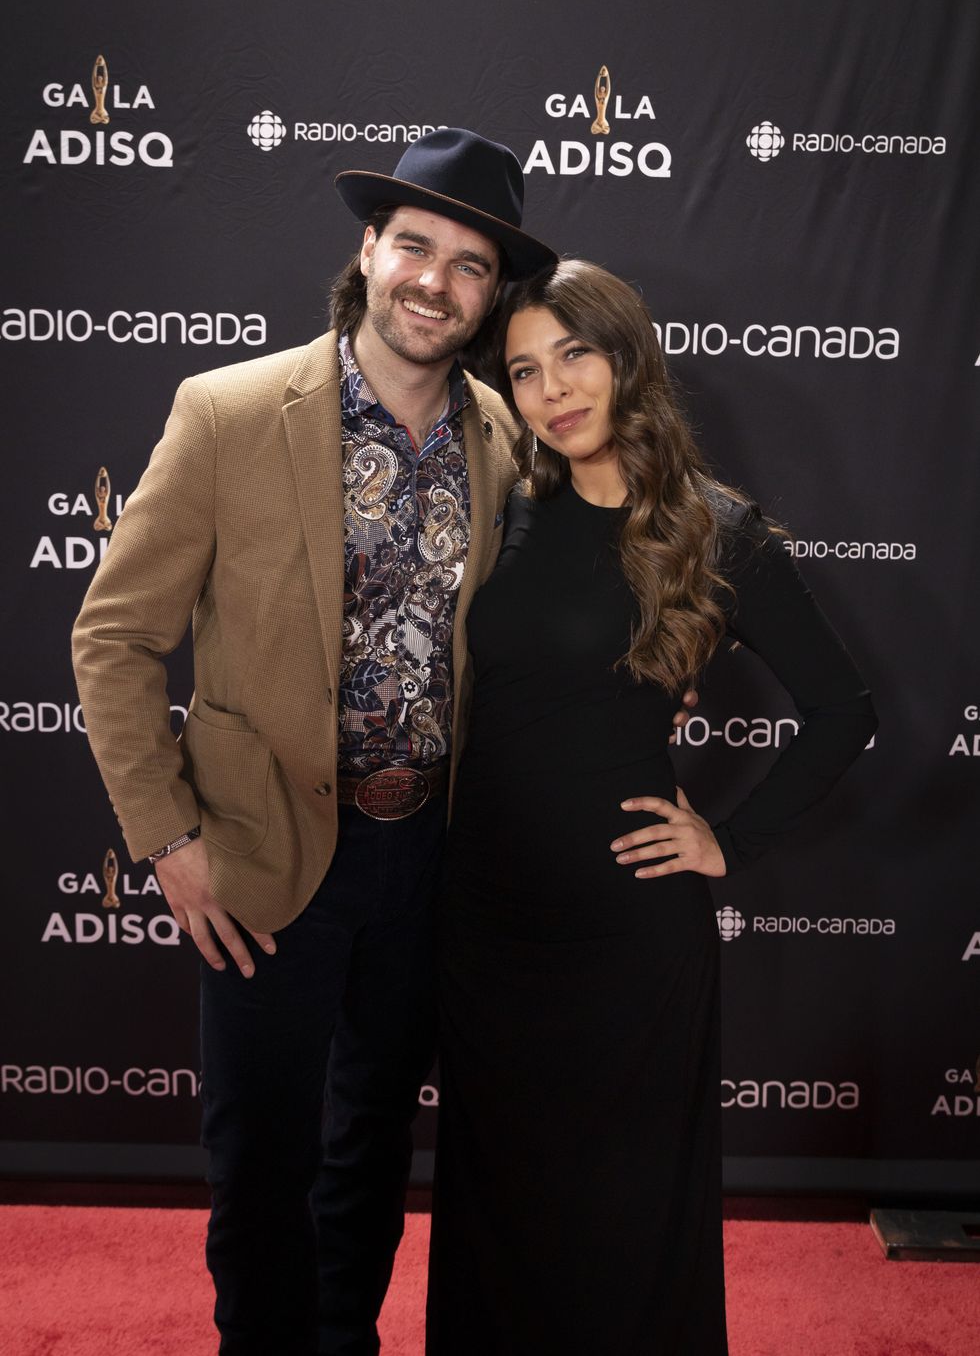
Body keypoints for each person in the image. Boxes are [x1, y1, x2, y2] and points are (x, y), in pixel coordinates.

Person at [71, 129, 575, 1356]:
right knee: (261, 1159)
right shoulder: (230, 412)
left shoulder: (509, 442)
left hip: (430, 862)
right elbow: (115, 638)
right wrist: (167, 840)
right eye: (414, 246)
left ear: (488, 294)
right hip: (259, 854)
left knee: (369, 1151)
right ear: (368, 250)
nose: (434, 282)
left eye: (467, 266)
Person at [426, 260, 878, 1355]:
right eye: (524, 369)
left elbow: (840, 710)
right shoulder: (504, 509)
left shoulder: (718, 534)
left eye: (574, 355)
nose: (551, 391)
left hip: (629, 928)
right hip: (486, 915)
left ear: (628, 356)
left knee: (628, 1216)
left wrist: (727, 839)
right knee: (495, 1204)